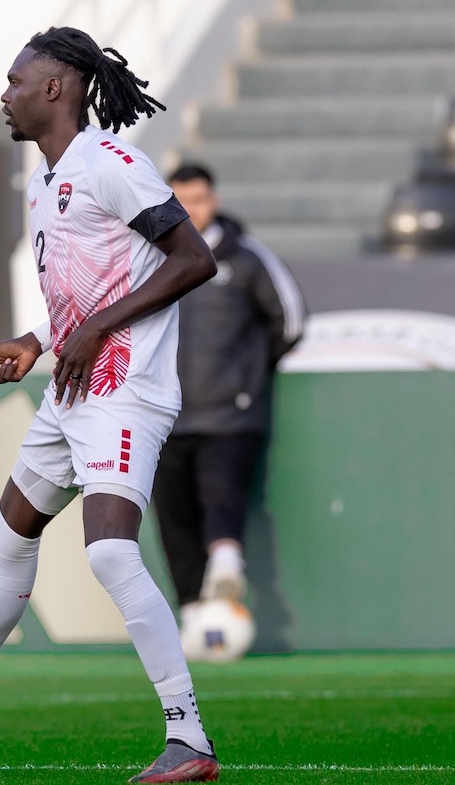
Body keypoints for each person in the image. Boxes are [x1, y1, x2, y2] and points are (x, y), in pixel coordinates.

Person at [0, 27, 221, 783]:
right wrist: (39, 340)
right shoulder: (43, 180)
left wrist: (95, 327)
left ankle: (189, 739)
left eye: (14, 81)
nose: (5, 94)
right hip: (70, 389)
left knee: (109, 551)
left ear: (55, 90)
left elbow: (196, 260)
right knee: (8, 534)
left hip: (125, 391)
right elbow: (87, 289)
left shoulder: (113, 166)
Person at [155, 163, 305, 635]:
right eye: (181, 201)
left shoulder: (246, 258)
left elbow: (291, 322)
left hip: (228, 413)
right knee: (173, 519)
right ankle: (196, 622)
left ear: (213, 200)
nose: (191, 210)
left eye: (198, 200)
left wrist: (249, 376)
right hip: (163, 415)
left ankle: (226, 568)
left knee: (222, 494)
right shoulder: (149, 256)